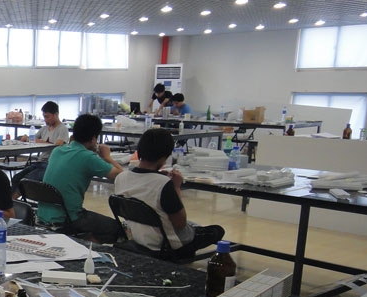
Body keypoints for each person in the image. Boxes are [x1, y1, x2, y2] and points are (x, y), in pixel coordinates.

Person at [114, 128, 225, 257]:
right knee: (217, 230)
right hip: (166, 244)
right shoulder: (163, 184)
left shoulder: (121, 177)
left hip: (137, 236)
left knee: (193, 225)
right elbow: (180, 223)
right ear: (164, 157)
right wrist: (176, 187)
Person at [39, 114, 123, 242]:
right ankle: (84, 243)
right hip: (69, 218)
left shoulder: (57, 151)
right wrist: (107, 157)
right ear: (94, 139)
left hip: (43, 215)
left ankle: (82, 240)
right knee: (117, 228)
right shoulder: (88, 157)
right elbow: (121, 175)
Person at [13, 101, 69, 198]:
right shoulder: (44, 128)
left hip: (51, 164)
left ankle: (11, 202)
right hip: (39, 162)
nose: (45, 120)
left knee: (26, 180)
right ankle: (12, 201)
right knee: (16, 177)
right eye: (44, 117)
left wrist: (37, 140)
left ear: (56, 115)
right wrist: (26, 137)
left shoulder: (62, 129)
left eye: (47, 117)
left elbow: (58, 145)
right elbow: (32, 139)